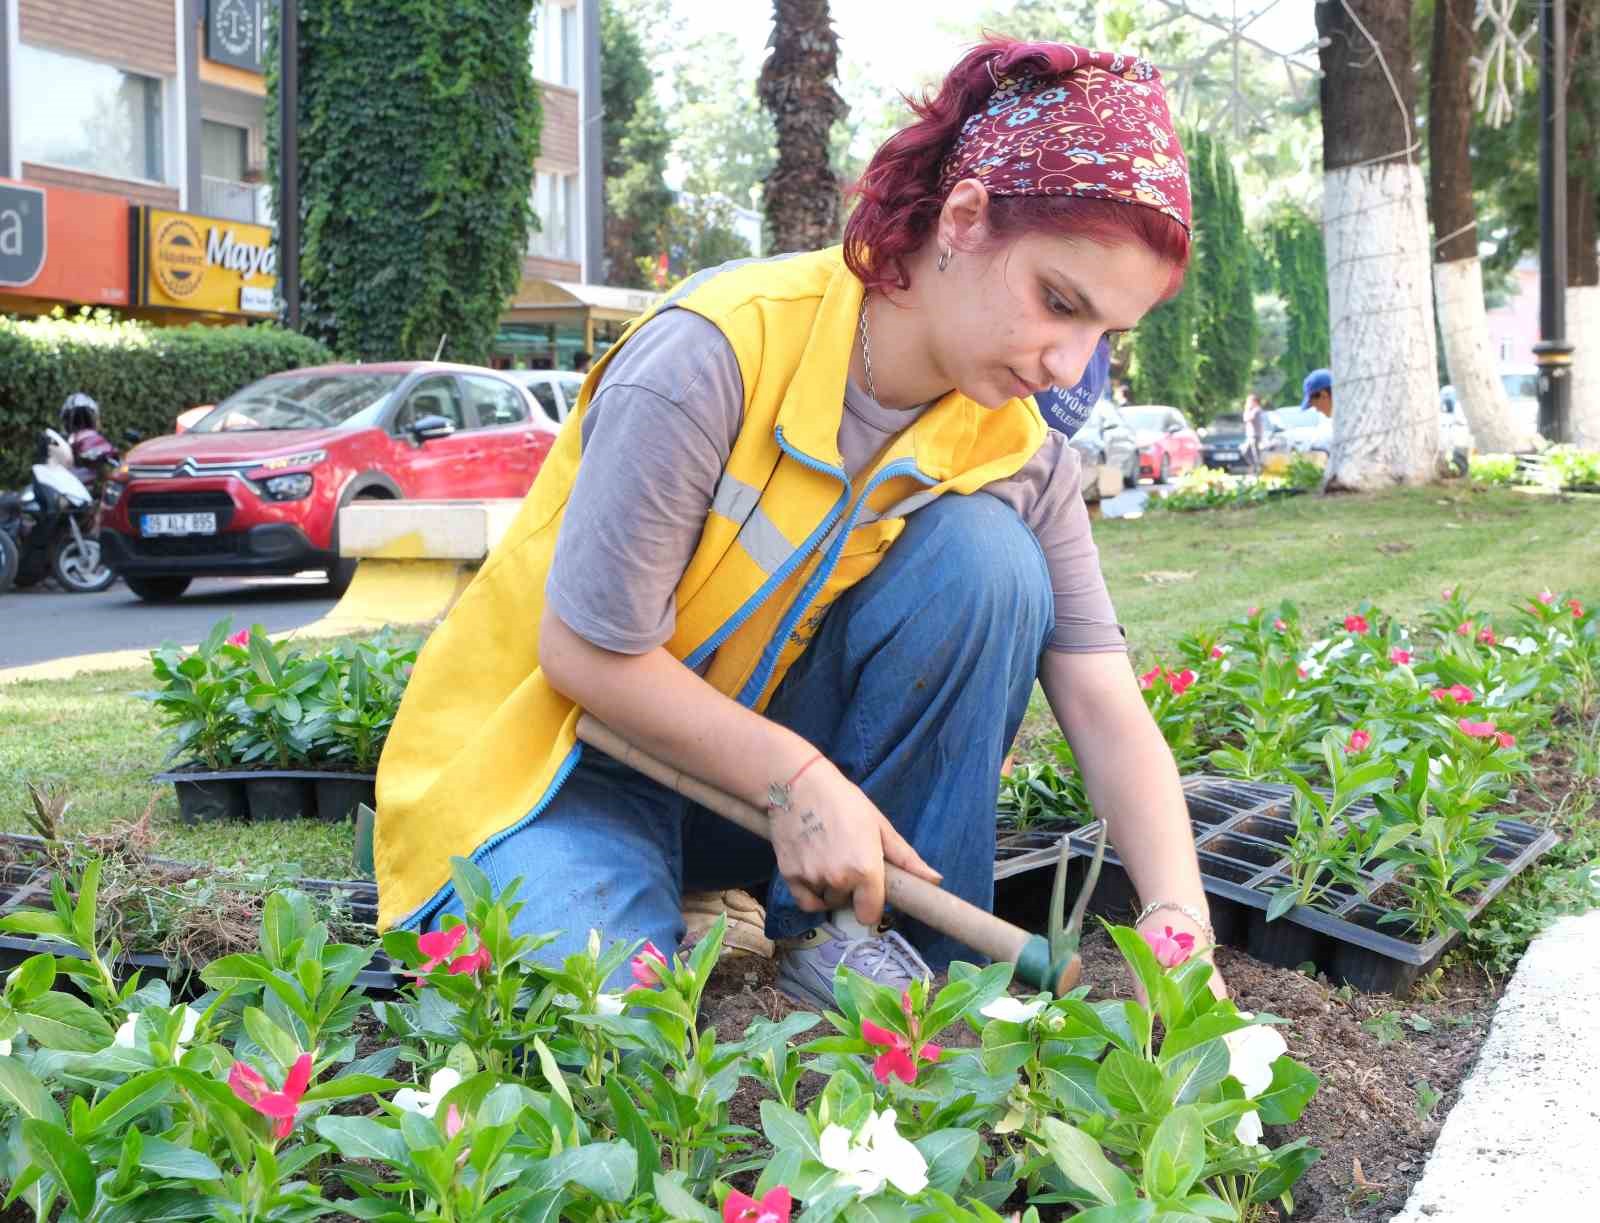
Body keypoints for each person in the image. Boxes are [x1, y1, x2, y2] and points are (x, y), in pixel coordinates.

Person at [375, 37, 1226, 1008]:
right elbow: (584, 656)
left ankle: (874, 962)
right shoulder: (715, 353)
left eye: (1104, 334)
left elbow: (1106, 705)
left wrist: (1178, 914)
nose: (1070, 366)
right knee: (599, 1022)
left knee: (990, 561)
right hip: (559, 764)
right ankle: (633, 897)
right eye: (1058, 302)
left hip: (745, 794)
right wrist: (796, 776)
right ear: (963, 216)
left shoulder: (1013, 443)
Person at [1241, 392, 1266, 473]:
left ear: (1254, 401)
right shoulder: (1254, 410)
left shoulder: (1257, 410)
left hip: (1255, 435)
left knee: (1255, 454)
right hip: (1251, 435)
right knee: (1246, 451)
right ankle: (1255, 467)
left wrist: (1246, 409)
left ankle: (1258, 469)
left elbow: (1247, 418)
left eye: (1249, 401)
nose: (1248, 403)